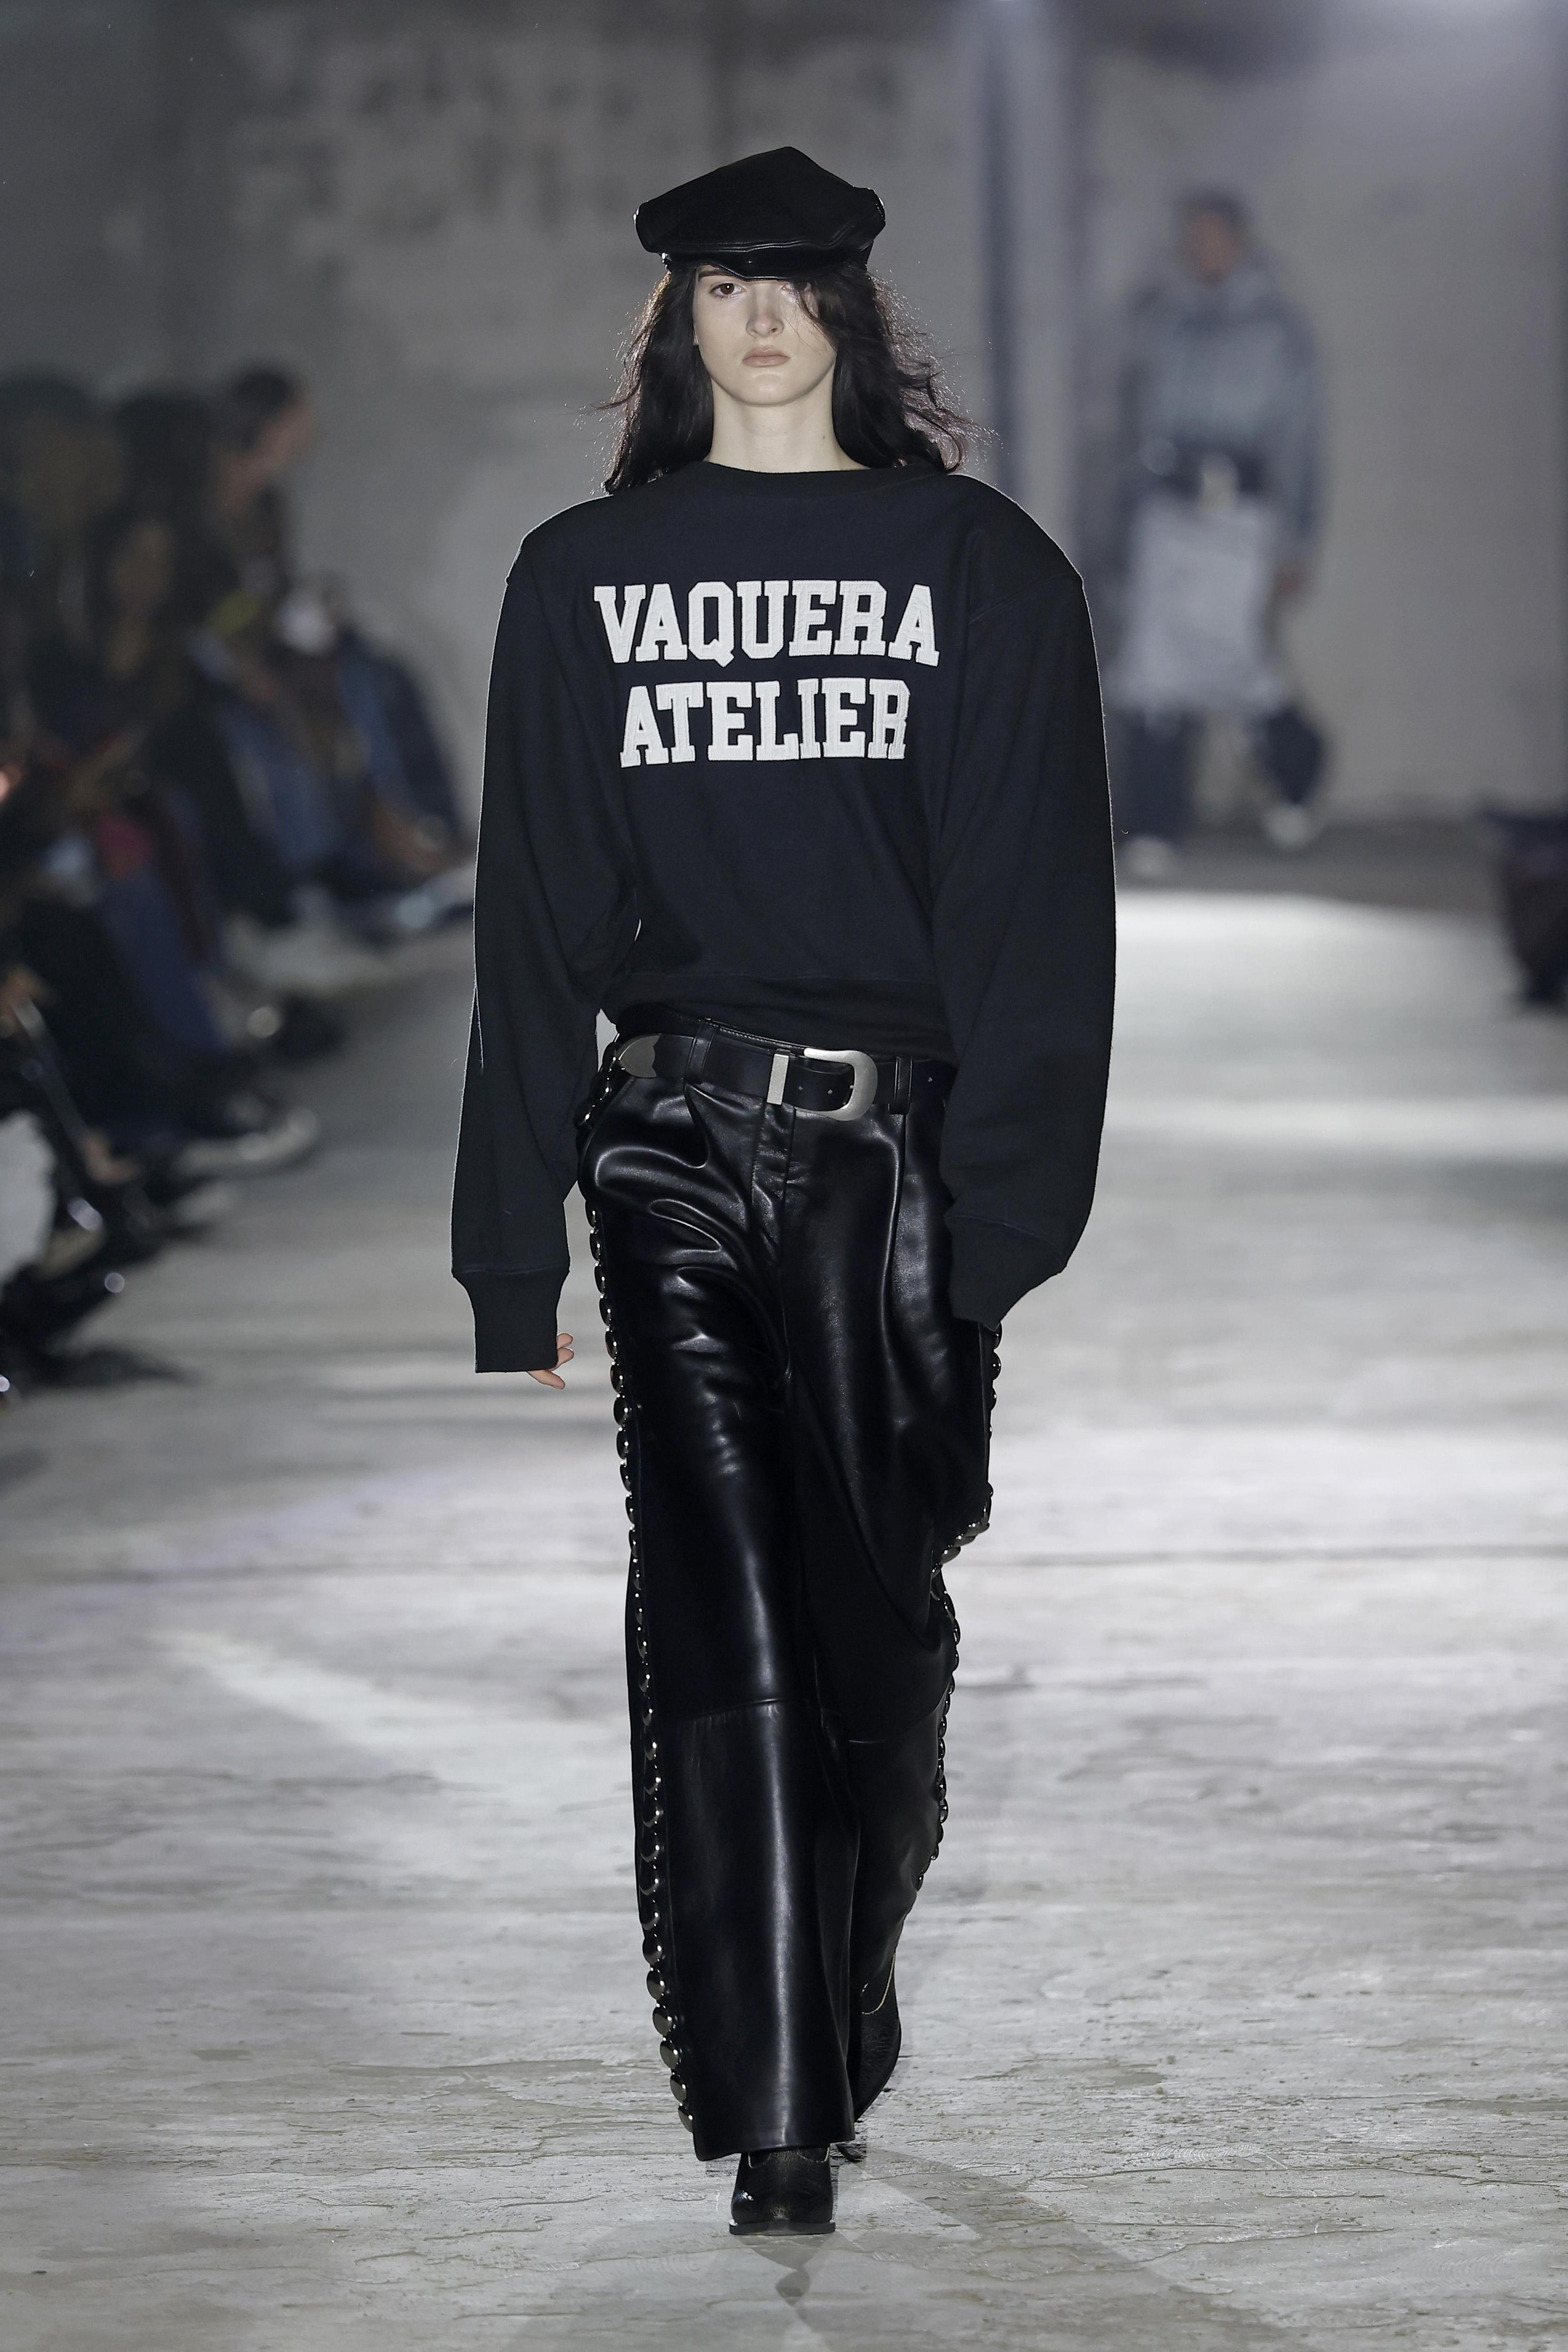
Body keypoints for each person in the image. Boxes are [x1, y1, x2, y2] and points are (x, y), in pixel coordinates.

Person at [451, 147, 1115, 2235]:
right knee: (721, 1615)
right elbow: (529, 920)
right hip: (664, 1147)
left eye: (794, 280)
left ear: (848, 311)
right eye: (724, 283)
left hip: (890, 1166)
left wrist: (998, 1225)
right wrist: (508, 1247)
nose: (759, 314)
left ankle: (840, 1979)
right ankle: (775, 2111)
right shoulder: (582, 579)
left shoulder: (977, 569)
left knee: (870, 1649)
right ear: (676, 316)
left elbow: (1035, 913)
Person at [1109, 188, 1327, 874]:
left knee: (1230, 656)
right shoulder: (1160, 319)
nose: (1200, 248)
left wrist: (1296, 541)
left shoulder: (1277, 331)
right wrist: (1121, 518)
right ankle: (1154, 823)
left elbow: (1301, 443)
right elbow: (1128, 422)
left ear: (1239, 240)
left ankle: (1299, 765)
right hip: (1164, 506)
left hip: (1239, 512)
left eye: (1212, 235)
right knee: (1150, 662)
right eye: (1191, 236)